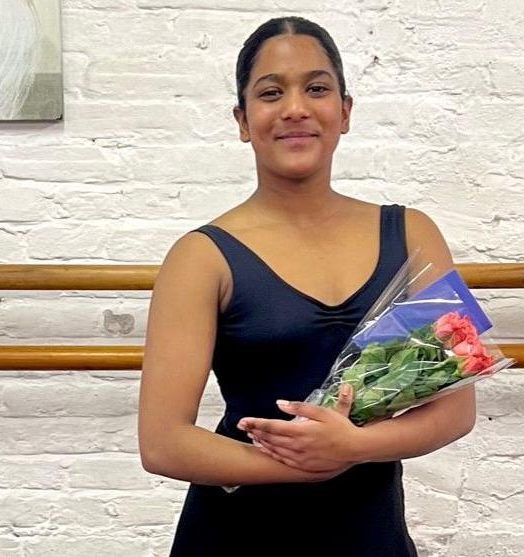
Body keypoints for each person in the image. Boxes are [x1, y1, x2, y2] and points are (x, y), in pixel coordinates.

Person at [137, 16, 478, 557]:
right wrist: (313, 464)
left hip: (369, 535)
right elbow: (162, 442)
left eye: (316, 88)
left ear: (344, 111)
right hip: (235, 537)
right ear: (243, 120)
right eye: (271, 92)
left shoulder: (413, 234)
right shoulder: (200, 258)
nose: (295, 107)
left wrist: (355, 446)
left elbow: (454, 411)